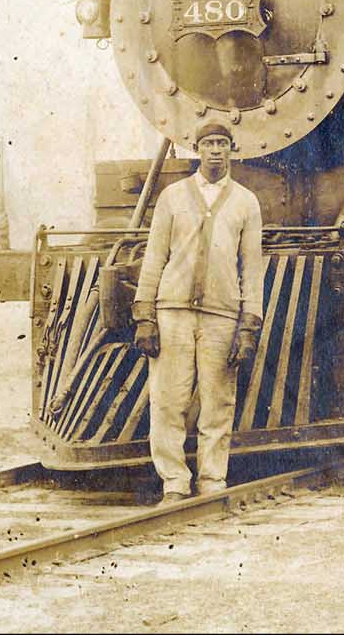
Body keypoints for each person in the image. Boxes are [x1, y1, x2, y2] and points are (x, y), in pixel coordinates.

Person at [132, 122, 264, 503]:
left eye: (222, 143)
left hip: (222, 316)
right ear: (197, 149)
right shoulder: (172, 197)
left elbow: (252, 268)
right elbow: (154, 258)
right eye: (208, 144)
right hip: (172, 312)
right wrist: (145, 315)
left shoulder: (246, 202)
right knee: (167, 401)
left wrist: (248, 325)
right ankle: (174, 482)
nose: (215, 150)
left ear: (231, 149)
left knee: (218, 402)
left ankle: (212, 481)